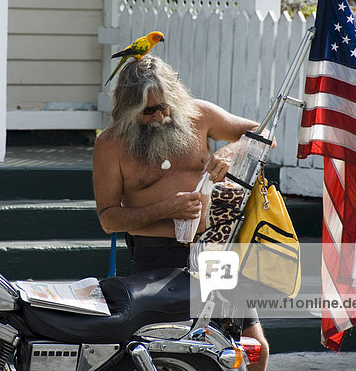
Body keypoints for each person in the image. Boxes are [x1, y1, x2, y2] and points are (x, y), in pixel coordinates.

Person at [93, 54, 270, 371]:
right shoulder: (111, 144)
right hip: (156, 258)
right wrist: (167, 208)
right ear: (127, 110)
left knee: (254, 348)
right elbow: (108, 219)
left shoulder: (198, 115)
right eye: (148, 111)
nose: (160, 116)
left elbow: (262, 133)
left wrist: (230, 151)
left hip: (212, 249)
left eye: (165, 106)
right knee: (170, 353)